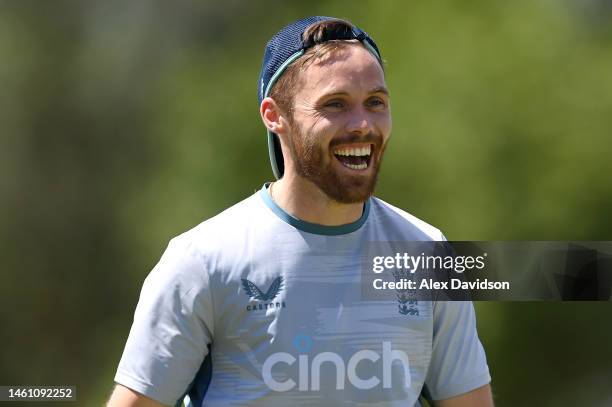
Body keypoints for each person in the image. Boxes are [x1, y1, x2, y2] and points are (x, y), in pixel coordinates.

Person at [107, 16, 493, 407]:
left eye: (375, 103)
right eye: (335, 104)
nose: (362, 125)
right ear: (275, 116)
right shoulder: (201, 262)